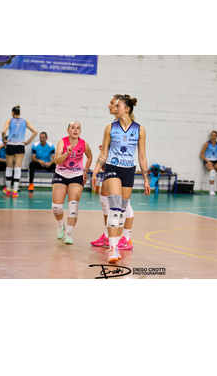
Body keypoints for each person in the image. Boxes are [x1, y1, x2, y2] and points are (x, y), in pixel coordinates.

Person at [92, 94, 151, 263]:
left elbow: (141, 155)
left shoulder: (140, 130)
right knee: (115, 207)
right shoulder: (110, 128)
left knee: (122, 211)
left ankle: (117, 244)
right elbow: (104, 153)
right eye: (115, 105)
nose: (115, 108)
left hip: (129, 171)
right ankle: (112, 249)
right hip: (112, 168)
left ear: (127, 109)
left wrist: (146, 178)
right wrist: (95, 172)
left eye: (118, 106)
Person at [91, 96, 135, 250]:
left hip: (124, 169)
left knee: (123, 205)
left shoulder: (132, 127)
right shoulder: (112, 126)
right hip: (111, 167)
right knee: (106, 200)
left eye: (113, 103)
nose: (110, 106)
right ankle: (108, 235)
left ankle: (126, 238)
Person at [51, 122, 93, 244]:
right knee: (56, 207)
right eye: (73, 128)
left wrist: (85, 170)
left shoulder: (84, 144)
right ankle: (61, 225)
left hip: (76, 175)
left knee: (73, 205)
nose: (75, 130)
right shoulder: (62, 142)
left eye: (78, 128)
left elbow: (89, 157)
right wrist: (67, 153)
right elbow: (56, 161)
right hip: (61, 174)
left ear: (80, 131)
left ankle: (69, 233)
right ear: (68, 130)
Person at [1, 105, 38, 198]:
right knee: (17, 168)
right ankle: (15, 191)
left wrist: (4, 140)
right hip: (20, 145)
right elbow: (35, 132)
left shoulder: (9, 120)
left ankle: (8, 190)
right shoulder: (25, 121)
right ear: (20, 113)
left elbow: (3, 131)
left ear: (12, 112)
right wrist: (27, 142)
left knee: (9, 168)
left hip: (10, 145)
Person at [200, 131, 217, 196]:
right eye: (212, 135)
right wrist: (208, 161)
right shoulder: (207, 144)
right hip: (208, 161)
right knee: (213, 172)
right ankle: (211, 190)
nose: (213, 137)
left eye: (214, 135)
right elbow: (201, 155)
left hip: (216, 161)